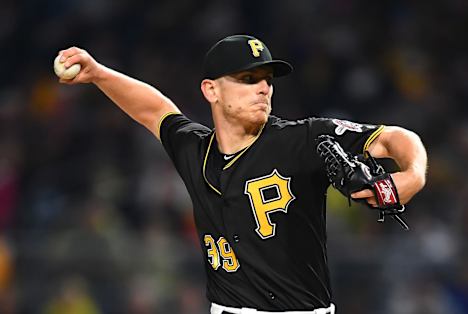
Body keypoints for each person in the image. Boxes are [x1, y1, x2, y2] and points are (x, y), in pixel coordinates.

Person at [57, 34, 427, 314]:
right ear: (211, 90)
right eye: (248, 78)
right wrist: (99, 74)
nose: (264, 87)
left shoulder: (305, 138)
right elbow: (153, 110)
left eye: (267, 78)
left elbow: (396, 137)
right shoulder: (194, 150)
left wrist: (412, 176)